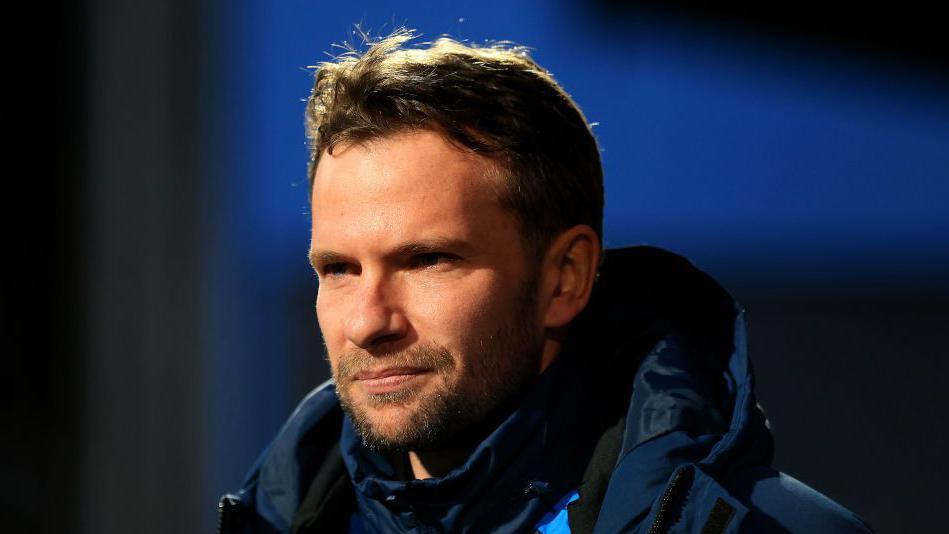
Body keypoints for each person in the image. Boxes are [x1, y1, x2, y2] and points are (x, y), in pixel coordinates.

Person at [218, 29, 872, 533]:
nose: (367, 321)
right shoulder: (278, 515)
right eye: (338, 269)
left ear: (564, 278)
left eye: (426, 261)